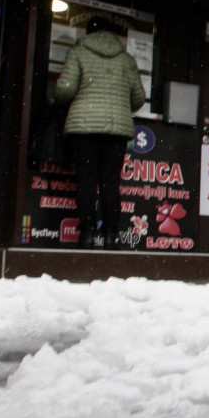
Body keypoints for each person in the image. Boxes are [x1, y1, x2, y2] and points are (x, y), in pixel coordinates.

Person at [54, 16, 146, 250]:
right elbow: (139, 97)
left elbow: (65, 89)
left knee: (86, 181)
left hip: (84, 127)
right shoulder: (126, 60)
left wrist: (61, 96)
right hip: (116, 130)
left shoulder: (78, 52)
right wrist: (119, 105)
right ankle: (110, 236)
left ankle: (85, 235)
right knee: (110, 182)